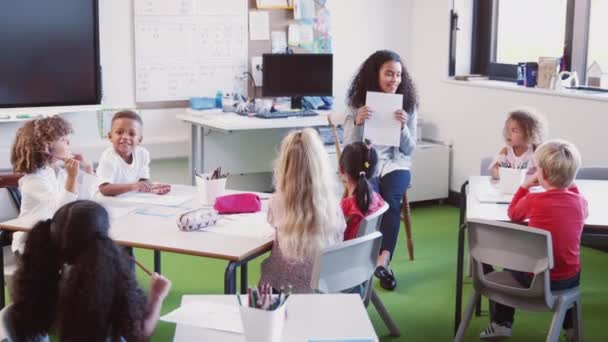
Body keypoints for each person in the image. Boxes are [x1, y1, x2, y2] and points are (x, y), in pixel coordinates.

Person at [10, 200, 172, 341]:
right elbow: (139, 335)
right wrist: (157, 297)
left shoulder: (44, 281)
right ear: (102, 242)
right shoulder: (107, 286)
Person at [480, 140, 588, 341]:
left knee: (513, 267)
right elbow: (584, 211)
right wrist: (569, 185)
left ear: (542, 175)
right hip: (567, 279)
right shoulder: (580, 202)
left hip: (533, 279)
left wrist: (524, 186)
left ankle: (502, 323)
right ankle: (571, 327)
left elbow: (513, 213)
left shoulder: (533, 200)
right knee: (572, 267)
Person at [343, 49, 418, 290]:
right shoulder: (357, 104)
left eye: (398, 75)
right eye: (388, 74)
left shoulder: (408, 104)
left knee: (392, 199)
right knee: (369, 196)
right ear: (375, 74)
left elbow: (410, 149)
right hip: (367, 162)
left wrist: (404, 127)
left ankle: (383, 260)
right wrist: (358, 123)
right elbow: (349, 148)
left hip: (396, 163)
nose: (394, 80)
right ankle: (363, 257)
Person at [259, 128, 346, 293]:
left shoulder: (276, 203)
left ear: (284, 166)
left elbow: (274, 226)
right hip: (323, 290)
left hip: (281, 291)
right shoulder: (333, 206)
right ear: (320, 165)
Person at [10, 116, 96, 253]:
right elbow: (60, 210)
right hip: (31, 246)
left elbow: (83, 203)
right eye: (63, 139)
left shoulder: (60, 173)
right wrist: (72, 178)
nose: (68, 142)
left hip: (54, 238)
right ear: (46, 146)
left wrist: (88, 170)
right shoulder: (33, 179)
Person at [96, 110, 170, 196]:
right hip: (105, 200)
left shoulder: (143, 154)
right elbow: (104, 189)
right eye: (119, 132)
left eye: (132, 134)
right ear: (110, 136)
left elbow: (142, 181)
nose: (125, 137)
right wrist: (133, 186)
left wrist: (151, 188)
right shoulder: (108, 157)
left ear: (140, 140)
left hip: (127, 199)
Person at [339, 142, 385, 240]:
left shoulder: (345, 206)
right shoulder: (378, 199)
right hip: (364, 254)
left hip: (344, 254)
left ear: (342, 169)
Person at [489, 108, 547, 180]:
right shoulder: (506, 151)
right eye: (507, 129)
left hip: (528, 188)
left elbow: (543, 174)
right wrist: (502, 176)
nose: (508, 133)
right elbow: (494, 169)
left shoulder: (535, 152)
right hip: (509, 187)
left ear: (529, 134)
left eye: (514, 131)